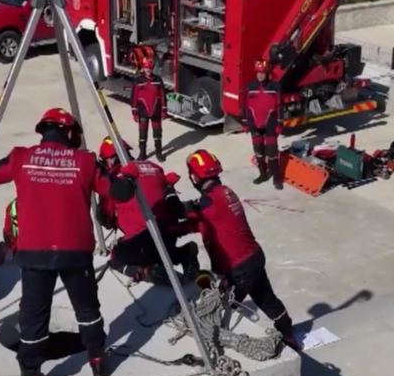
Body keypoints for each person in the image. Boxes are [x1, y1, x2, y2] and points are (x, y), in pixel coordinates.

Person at [0, 107, 109, 376]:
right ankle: (97, 359)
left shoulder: (21, 157)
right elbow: (119, 192)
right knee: (87, 310)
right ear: (69, 132)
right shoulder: (84, 161)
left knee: (33, 316)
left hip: (35, 254)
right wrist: (127, 175)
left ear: (43, 131)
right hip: (75, 251)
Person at [180, 149, 299, 351]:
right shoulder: (224, 192)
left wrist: (166, 201)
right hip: (253, 257)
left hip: (239, 268)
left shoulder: (208, 201)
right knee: (265, 298)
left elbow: (185, 211)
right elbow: (206, 223)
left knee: (220, 309)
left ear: (194, 177)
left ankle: (218, 347)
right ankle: (287, 333)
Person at [94, 136, 199, 285]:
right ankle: (183, 253)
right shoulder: (153, 167)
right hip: (167, 235)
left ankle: (145, 272)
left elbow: (106, 219)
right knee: (159, 248)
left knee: (116, 258)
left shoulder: (113, 180)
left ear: (110, 159)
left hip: (141, 240)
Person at [243, 59, 283, 190]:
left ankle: (277, 178)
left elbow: (280, 106)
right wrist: (246, 123)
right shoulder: (250, 87)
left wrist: (279, 124)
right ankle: (263, 174)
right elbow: (246, 106)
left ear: (267, 73)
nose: (261, 75)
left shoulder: (275, 87)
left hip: (271, 124)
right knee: (259, 152)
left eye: (263, 73)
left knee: (272, 154)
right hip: (255, 125)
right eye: (259, 73)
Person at [130, 56, 167, 161]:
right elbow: (133, 97)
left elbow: (163, 95)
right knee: (142, 135)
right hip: (142, 112)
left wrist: (164, 110)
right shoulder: (138, 81)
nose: (148, 70)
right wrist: (134, 113)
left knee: (158, 134)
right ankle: (142, 153)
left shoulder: (158, 80)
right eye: (146, 68)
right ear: (143, 68)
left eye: (150, 68)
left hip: (156, 111)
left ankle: (158, 153)